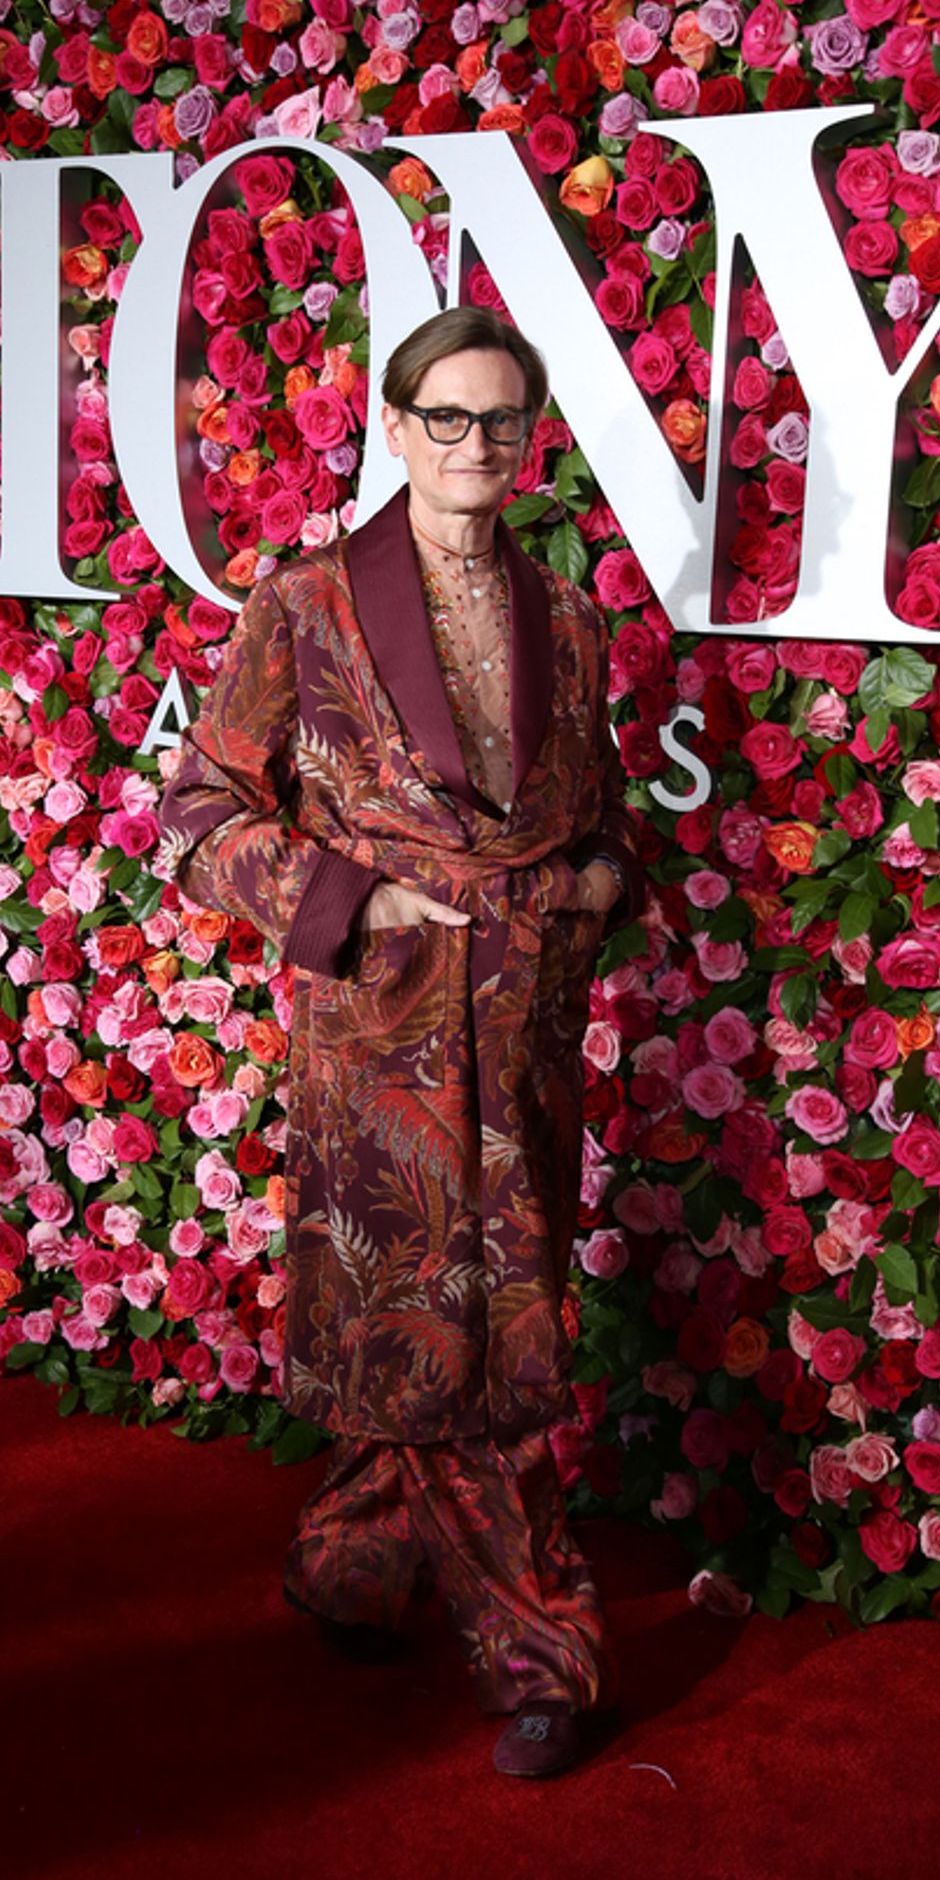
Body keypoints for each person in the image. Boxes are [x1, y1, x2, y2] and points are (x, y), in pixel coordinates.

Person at [155, 306, 643, 1778]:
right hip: (381, 1033)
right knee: (461, 1332)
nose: (477, 447)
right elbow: (198, 814)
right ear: (398, 426)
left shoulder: (573, 617)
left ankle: (353, 1559)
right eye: (449, 420)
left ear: (530, 437)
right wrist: (358, 913)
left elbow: (601, 815)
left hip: (527, 1027)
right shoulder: (307, 605)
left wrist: (605, 881)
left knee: (463, 1312)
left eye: (502, 422)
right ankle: (542, 1649)